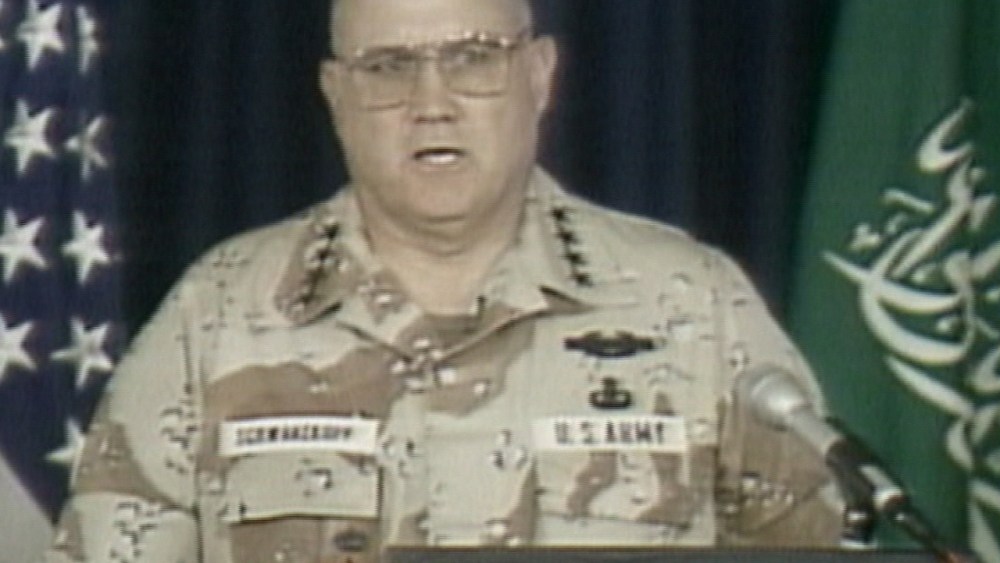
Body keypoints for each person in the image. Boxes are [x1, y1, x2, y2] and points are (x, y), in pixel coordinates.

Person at [47, 0, 845, 561]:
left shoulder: (692, 304)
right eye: (388, 68)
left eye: (472, 60)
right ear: (336, 95)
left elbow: (823, 543)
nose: (432, 103)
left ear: (540, 75)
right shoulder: (220, 314)